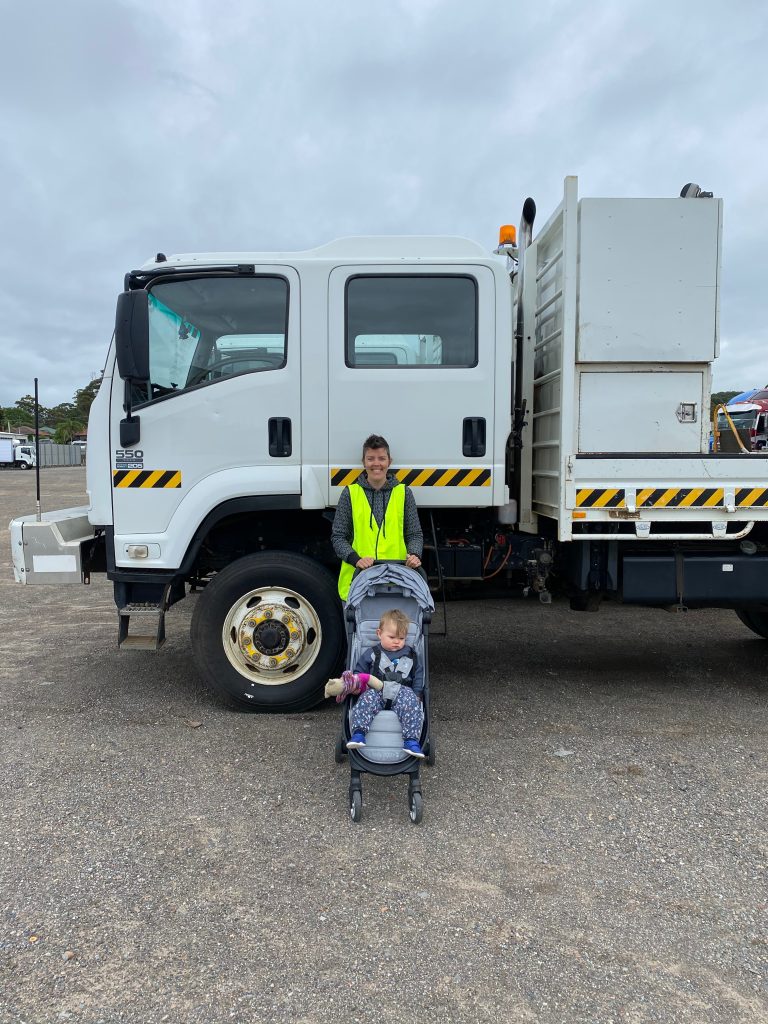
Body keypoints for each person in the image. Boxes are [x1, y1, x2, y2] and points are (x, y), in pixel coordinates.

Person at [332, 433, 423, 602]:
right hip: (358, 581)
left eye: (381, 458)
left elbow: (414, 534)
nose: (376, 464)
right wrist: (356, 559)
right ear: (364, 462)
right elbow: (338, 537)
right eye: (370, 458)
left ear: (389, 461)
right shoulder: (350, 494)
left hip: (397, 581)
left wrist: (414, 554)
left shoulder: (404, 493)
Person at [346, 608, 425, 758]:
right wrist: (356, 684)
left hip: (403, 692)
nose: (397, 642)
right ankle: (358, 733)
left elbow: (418, 675)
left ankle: (411, 741)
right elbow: (359, 673)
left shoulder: (411, 654)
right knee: (366, 700)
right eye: (392, 637)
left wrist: (416, 694)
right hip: (377, 689)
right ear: (379, 634)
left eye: (401, 639)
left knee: (412, 705)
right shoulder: (371, 653)